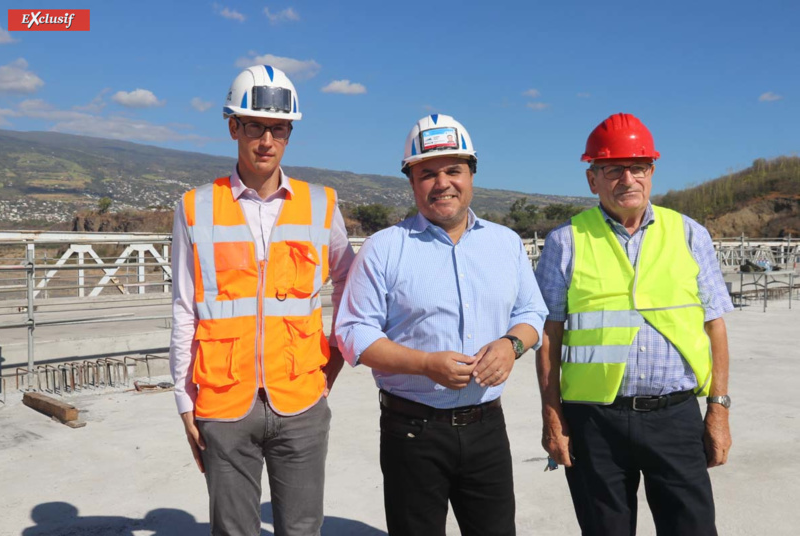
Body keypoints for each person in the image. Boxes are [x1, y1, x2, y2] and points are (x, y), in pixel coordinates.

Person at [336, 114, 548, 536]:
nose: (442, 183)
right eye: (428, 173)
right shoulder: (384, 249)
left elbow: (532, 314)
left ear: (472, 175)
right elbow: (352, 334)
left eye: (454, 170)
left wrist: (511, 345)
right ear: (411, 182)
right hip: (412, 431)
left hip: (487, 426)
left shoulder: (504, 243)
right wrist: (425, 364)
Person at [168, 64, 354, 536]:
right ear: (234, 127)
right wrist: (183, 400)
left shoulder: (321, 204)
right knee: (233, 530)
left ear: (289, 133)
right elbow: (185, 309)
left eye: (278, 129)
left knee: (303, 528)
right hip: (224, 401)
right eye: (255, 127)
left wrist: (334, 358)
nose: (266, 141)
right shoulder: (195, 208)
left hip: (302, 398)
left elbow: (353, 285)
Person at [535, 112, 733, 536]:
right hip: (594, 425)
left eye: (638, 168)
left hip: (675, 417)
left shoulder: (689, 234)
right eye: (613, 169)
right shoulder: (565, 242)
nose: (628, 179)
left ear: (652, 172)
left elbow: (715, 326)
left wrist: (718, 409)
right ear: (593, 180)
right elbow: (549, 337)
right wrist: (553, 418)